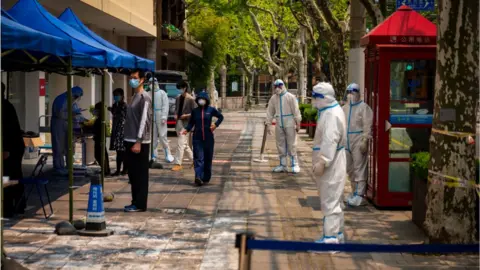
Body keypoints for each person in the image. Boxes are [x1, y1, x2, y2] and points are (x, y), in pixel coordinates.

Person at [311, 82, 347, 245]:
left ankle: (330, 239)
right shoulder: (330, 111)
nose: (313, 101)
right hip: (335, 161)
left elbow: (330, 140)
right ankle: (337, 234)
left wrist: (322, 161)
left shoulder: (331, 115)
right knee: (335, 199)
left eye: (315, 98)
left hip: (331, 164)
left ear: (324, 98)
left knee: (330, 200)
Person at [124, 69, 153, 212]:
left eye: (134, 78)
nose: (132, 80)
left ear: (142, 79)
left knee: (140, 175)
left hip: (139, 142)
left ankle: (140, 204)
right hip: (129, 139)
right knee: (133, 175)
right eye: (131, 78)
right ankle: (134, 201)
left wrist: (138, 141)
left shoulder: (144, 97)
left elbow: (144, 121)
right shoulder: (134, 96)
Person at [182, 92, 224, 186]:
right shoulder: (195, 111)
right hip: (197, 138)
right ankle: (198, 177)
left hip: (209, 138)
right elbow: (191, 123)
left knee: (208, 158)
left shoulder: (211, 110)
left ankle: (206, 177)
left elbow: (221, 117)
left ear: (206, 100)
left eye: (203, 99)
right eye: (199, 99)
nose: (201, 100)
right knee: (198, 158)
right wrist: (187, 130)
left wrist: (215, 125)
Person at [342, 83, 373, 207]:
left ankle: (360, 195)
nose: (350, 95)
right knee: (349, 168)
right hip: (346, 140)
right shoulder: (344, 108)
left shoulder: (364, 107)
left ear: (358, 93)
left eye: (353, 92)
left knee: (360, 167)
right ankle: (354, 191)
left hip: (358, 139)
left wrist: (365, 140)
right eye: (348, 92)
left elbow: (367, 125)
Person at [265, 79, 302, 173]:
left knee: (292, 144)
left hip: (289, 123)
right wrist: (268, 123)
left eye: (279, 85)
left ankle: (295, 164)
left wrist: (298, 123)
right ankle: (283, 164)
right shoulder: (273, 98)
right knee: (280, 144)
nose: (277, 88)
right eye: (275, 86)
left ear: (283, 85)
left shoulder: (290, 97)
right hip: (279, 123)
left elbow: (296, 111)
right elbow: (270, 111)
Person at [2, 83, 26, 216]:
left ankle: (9, 207)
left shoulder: (4, 107)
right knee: (13, 176)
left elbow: (7, 130)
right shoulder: (6, 105)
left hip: (11, 148)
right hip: (13, 147)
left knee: (8, 177)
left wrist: (6, 149)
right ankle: (16, 205)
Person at [50, 86, 85, 176]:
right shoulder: (60, 100)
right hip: (59, 125)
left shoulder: (73, 101)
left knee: (69, 146)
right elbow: (60, 114)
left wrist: (83, 119)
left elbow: (76, 112)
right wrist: (72, 114)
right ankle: (58, 167)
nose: (76, 99)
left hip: (68, 125)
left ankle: (69, 166)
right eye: (76, 96)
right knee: (59, 146)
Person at [172, 81, 196, 171]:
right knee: (184, 145)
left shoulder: (191, 99)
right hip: (178, 123)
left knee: (180, 143)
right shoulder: (178, 98)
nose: (180, 90)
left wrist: (186, 115)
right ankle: (195, 160)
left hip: (186, 124)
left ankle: (178, 163)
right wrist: (175, 114)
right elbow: (176, 109)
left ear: (185, 88)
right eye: (179, 88)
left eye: (181, 88)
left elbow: (195, 112)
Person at [150, 78, 174, 163]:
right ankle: (153, 155)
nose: (152, 84)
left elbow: (165, 105)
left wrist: (164, 116)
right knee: (153, 137)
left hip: (160, 116)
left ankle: (167, 154)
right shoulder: (149, 93)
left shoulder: (162, 93)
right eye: (150, 82)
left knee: (163, 136)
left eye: (153, 82)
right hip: (152, 117)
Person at [108, 88, 128, 176]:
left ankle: (125, 169)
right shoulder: (115, 105)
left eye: (117, 95)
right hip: (116, 130)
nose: (115, 97)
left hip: (122, 130)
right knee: (118, 151)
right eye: (114, 95)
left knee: (123, 151)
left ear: (122, 96)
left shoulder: (124, 106)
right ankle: (118, 170)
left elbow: (123, 117)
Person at [93, 102, 111, 176]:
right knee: (100, 154)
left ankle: (105, 170)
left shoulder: (101, 120)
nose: (95, 111)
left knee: (100, 154)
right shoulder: (99, 119)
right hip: (98, 139)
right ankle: (105, 170)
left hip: (100, 140)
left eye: (96, 110)